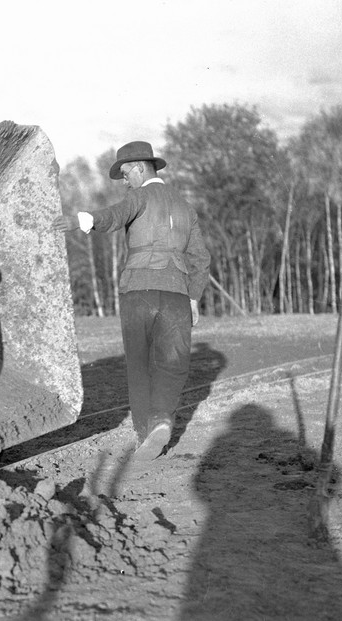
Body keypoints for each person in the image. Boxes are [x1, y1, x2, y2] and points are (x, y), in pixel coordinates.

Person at [58, 141, 211, 462]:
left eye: (126, 174)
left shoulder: (139, 196)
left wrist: (79, 220)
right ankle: (162, 421)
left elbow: (115, 216)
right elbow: (202, 259)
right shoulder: (186, 207)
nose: (124, 181)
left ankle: (146, 434)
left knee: (139, 365)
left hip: (138, 292)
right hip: (177, 295)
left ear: (141, 168)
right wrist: (194, 299)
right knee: (172, 364)